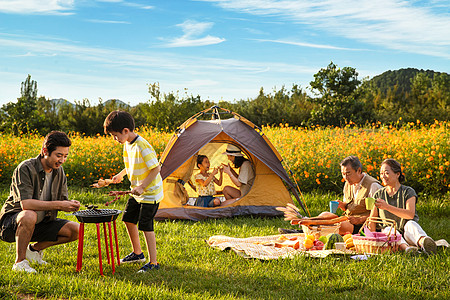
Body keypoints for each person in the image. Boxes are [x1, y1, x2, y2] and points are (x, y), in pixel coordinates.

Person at [0, 131, 80, 273]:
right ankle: (20, 262)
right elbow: (26, 204)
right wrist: (60, 205)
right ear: (45, 151)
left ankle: (34, 250)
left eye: (65, 156)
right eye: (59, 155)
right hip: (12, 224)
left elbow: (62, 201)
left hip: (43, 223)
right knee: (29, 215)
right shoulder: (25, 168)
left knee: (76, 230)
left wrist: (70, 204)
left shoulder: (59, 172)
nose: (62, 160)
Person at [104, 110, 164, 273]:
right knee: (128, 219)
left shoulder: (142, 145)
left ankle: (153, 263)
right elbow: (131, 164)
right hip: (136, 192)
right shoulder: (127, 144)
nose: (115, 139)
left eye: (115, 135)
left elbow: (156, 168)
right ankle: (138, 253)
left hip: (150, 193)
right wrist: (120, 175)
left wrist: (143, 187)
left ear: (125, 131)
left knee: (145, 225)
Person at [279, 156, 382, 235]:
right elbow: (350, 206)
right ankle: (304, 226)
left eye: (348, 173)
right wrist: (343, 206)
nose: (345, 177)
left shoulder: (373, 185)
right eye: (343, 174)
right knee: (324, 215)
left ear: (359, 170)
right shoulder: (348, 184)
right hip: (348, 219)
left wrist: (359, 219)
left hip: (363, 225)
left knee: (335, 226)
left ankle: (300, 231)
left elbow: (381, 213)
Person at [368, 158, 437, 254]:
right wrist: (370, 239)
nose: (383, 176)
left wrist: (386, 206)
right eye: (381, 173)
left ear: (397, 174)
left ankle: (425, 243)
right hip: (391, 233)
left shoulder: (408, 191)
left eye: (386, 173)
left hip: (408, 230)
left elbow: (410, 215)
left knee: (411, 224)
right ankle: (408, 249)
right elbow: (372, 219)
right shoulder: (378, 194)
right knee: (388, 229)